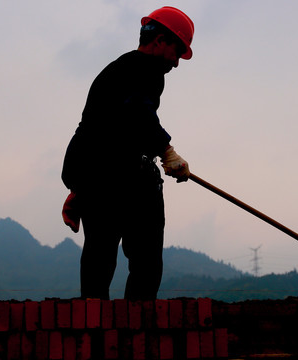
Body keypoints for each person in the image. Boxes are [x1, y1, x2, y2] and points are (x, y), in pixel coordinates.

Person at [61, 6, 194, 300]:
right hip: (121, 179)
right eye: (177, 50)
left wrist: (78, 188)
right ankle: (137, 331)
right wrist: (167, 151)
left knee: (98, 259)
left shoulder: (118, 70)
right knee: (144, 263)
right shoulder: (144, 69)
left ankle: (94, 332)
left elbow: (104, 131)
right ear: (159, 40)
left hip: (98, 178)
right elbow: (137, 113)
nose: (176, 62)